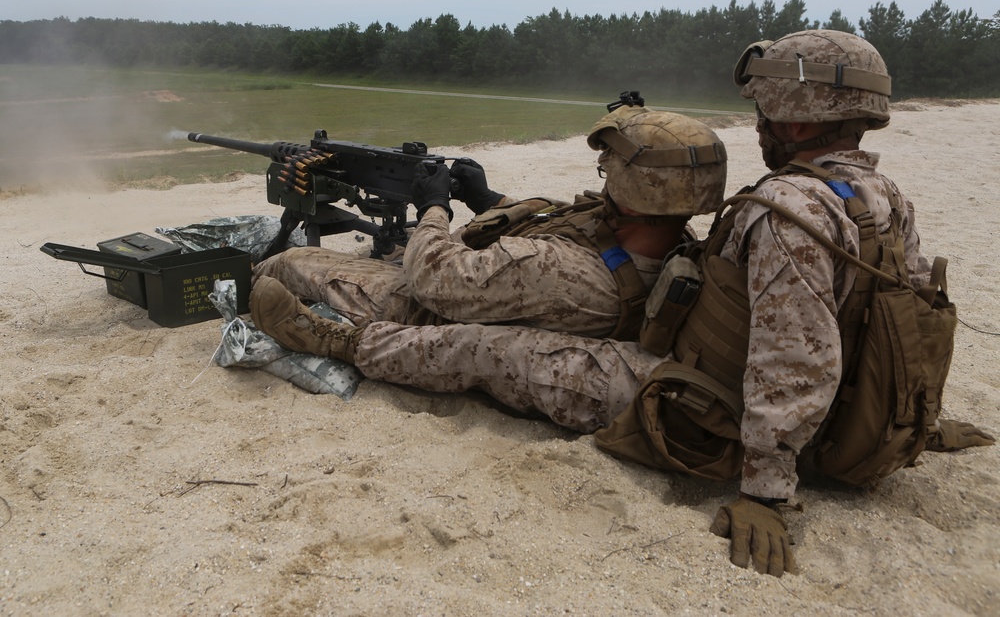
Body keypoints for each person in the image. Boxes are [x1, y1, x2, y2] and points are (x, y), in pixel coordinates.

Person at [248, 31, 994, 576]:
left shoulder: (785, 212)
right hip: (824, 406)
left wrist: (768, 491)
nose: (761, 124)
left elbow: (795, 355)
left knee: (503, 350)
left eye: (768, 110)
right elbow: (897, 317)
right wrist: (906, 415)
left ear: (803, 113)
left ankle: (338, 342)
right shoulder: (874, 193)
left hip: (712, 407)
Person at [252, 105, 727, 340]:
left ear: (634, 187)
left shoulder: (553, 270)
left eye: (610, 170)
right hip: (488, 280)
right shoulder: (670, 236)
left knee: (296, 260)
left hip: (438, 297)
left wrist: (433, 207)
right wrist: (491, 201)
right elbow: (567, 225)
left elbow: (434, 279)